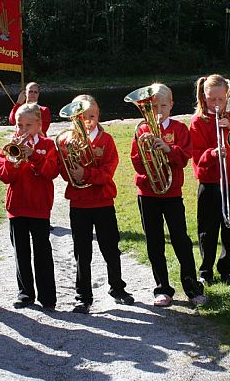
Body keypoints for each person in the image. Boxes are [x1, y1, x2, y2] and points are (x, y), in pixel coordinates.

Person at [131, 83, 206, 307]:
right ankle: (162, 288)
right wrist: (148, 155)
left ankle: (192, 288)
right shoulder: (142, 130)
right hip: (148, 193)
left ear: (171, 104)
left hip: (171, 193)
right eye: (153, 106)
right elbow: (136, 162)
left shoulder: (180, 129)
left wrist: (167, 148)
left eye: (163, 105)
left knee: (181, 240)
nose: (158, 110)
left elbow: (184, 158)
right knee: (154, 242)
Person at [57, 94, 134, 313]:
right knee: (82, 252)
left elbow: (108, 172)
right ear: (74, 118)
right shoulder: (65, 141)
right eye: (81, 116)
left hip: (103, 202)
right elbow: (64, 173)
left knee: (111, 248)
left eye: (92, 115)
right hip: (80, 204)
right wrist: (69, 157)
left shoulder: (106, 140)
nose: (87, 120)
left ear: (98, 115)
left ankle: (117, 288)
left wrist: (86, 173)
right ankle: (83, 295)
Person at [0, 103, 59, 310]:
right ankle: (25, 293)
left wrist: (33, 155)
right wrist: (13, 160)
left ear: (39, 124)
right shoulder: (10, 147)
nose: (22, 130)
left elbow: (51, 172)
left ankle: (48, 296)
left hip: (39, 207)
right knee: (21, 252)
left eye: (28, 125)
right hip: (17, 207)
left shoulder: (48, 145)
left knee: (42, 252)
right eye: (19, 125)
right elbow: (4, 176)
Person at [190, 75, 230, 285]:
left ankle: (226, 267)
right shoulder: (198, 122)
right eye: (212, 99)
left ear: (227, 96)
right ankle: (205, 270)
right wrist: (212, 154)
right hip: (210, 180)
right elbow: (196, 156)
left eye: (220, 99)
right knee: (208, 228)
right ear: (204, 98)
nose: (216, 104)